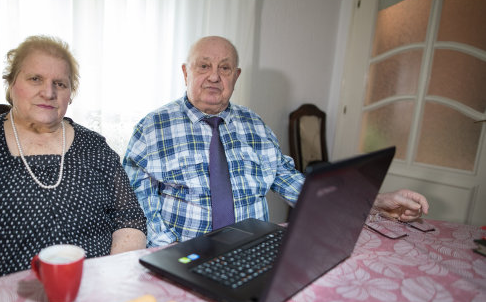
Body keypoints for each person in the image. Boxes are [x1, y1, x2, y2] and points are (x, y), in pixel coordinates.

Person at [122, 35, 428, 247]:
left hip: (252, 248)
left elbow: (299, 188)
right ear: (185, 72)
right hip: (183, 253)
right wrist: (171, 252)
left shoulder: (255, 126)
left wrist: (375, 200)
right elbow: (136, 207)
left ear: (236, 76)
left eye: (225, 68)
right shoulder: (151, 128)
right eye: (204, 66)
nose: (214, 76)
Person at [0, 35, 147, 293]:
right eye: (35, 79)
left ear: (70, 94)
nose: (48, 92)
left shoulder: (95, 147)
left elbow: (130, 219)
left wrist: (109, 286)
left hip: (90, 294)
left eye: (60, 83)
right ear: (11, 83)